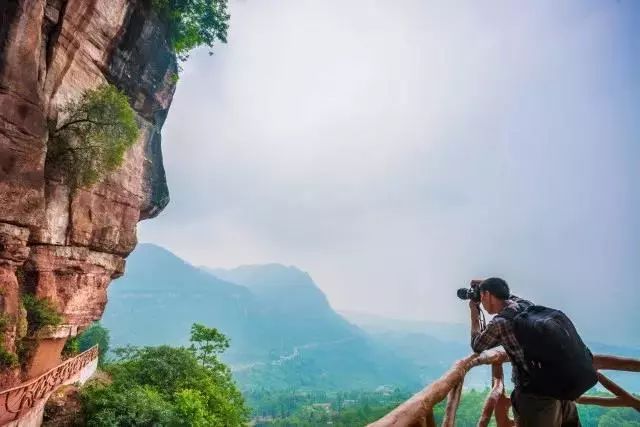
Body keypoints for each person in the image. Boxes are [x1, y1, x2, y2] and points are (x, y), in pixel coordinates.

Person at [469, 277, 581, 427]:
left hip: (535, 397)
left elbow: (477, 345)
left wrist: (474, 313)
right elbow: (508, 295)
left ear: (487, 295)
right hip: (560, 386)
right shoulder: (525, 305)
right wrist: (487, 284)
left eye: (482, 296)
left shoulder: (500, 322)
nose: (481, 301)